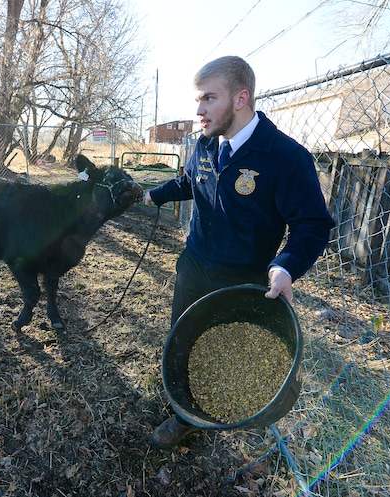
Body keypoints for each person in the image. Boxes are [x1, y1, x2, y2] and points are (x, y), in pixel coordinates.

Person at [144, 56, 335, 450]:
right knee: (183, 339)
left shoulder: (285, 158)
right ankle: (183, 409)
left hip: (242, 280)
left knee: (225, 353)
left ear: (240, 98)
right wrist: (154, 195)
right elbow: (189, 181)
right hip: (194, 267)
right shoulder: (204, 143)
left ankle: (206, 415)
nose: (198, 110)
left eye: (209, 99)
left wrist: (285, 267)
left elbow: (312, 225)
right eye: (198, 100)